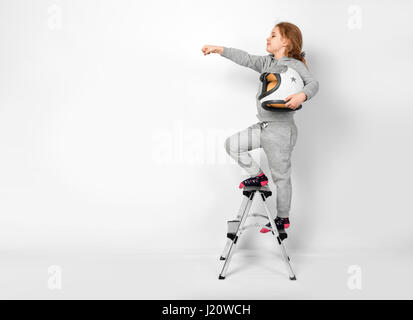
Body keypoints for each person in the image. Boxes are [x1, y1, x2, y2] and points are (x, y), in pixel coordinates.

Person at [201, 22, 319, 233]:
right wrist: (219, 49)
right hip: (263, 126)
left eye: (273, 35)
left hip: (282, 131)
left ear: (286, 41)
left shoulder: (296, 66)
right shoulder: (266, 63)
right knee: (232, 144)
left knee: (281, 177)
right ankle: (258, 175)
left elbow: (313, 84)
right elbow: (245, 58)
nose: (267, 38)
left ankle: (282, 218)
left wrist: (302, 95)